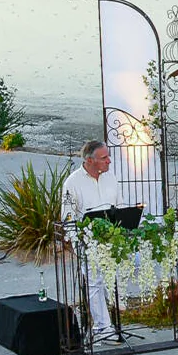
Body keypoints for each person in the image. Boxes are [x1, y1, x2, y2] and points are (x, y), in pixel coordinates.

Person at [61, 140, 121, 343]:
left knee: (133, 264)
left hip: (113, 239)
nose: (109, 161)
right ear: (89, 161)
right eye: (104, 158)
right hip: (88, 242)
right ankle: (103, 328)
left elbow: (119, 208)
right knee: (94, 279)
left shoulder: (111, 178)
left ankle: (112, 316)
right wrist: (77, 244)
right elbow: (67, 219)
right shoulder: (72, 183)